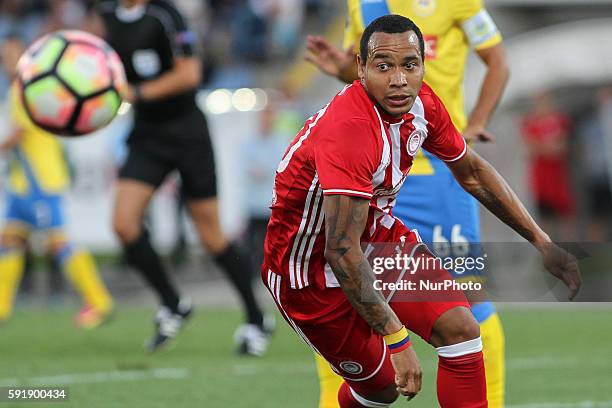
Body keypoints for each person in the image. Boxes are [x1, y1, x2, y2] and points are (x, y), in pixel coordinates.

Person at [264, 15, 580, 407]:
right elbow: (340, 250)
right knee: (379, 389)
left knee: (462, 329)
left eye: (409, 65)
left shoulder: (423, 102)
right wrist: (398, 340)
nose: (399, 79)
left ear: (422, 65)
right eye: (384, 66)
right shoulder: (348, 129)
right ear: (360, 69)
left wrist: (541, 241)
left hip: (376, 240)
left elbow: (473, 173)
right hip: (307, 273)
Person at [304, 1, 510, 406]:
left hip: (438, 172)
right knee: (346, 300)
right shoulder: (364, 5)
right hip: (375, 172)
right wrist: (343, 70)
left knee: (467, 298)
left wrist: (478, 121)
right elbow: (370, 75)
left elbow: (497, 61)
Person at [88, 0, 271, 354]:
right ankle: (173, 303)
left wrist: (136, 93)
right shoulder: (106, 17)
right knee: (124, 224)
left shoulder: (165, 14)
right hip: (146, 135)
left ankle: (255, 317)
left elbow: (190, 74)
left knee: (211, 236)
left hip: (187, 133)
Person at [0, 35, 113, 328]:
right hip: (22, 182)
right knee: (10, 240)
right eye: (4, 54)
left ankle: (100, 302)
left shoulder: (30, 88)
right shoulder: (17, 88)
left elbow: (20, 133)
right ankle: (1, 307)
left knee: (58, 243)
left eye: (12, 52)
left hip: (41, 180)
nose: (6, 59)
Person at [521, 92, 576, 242]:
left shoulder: (560, 121)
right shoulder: (530, 124)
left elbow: (561, 148)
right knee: (545, 219)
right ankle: (551, 253)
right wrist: (548, 146)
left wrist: (545, 146)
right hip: (541, 180)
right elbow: (533, 148)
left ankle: (571, 251)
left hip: (558, 178)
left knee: (565, 216)